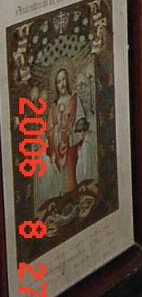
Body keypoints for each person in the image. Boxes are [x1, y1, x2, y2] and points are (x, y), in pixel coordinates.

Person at [44, 67, 87, 201]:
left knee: (71, 172)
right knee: (59, 177)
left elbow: (81, 119)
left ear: (67, 81)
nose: (62, 84)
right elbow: (49, 129)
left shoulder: (74, 99)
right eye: (59, 81)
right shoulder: (53, 106)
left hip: (71, 142)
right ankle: (62, 199)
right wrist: (56, 131)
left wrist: (72, 129)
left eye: (63, 80)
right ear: (56, 85)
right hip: (58, 145)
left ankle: (73, 196)